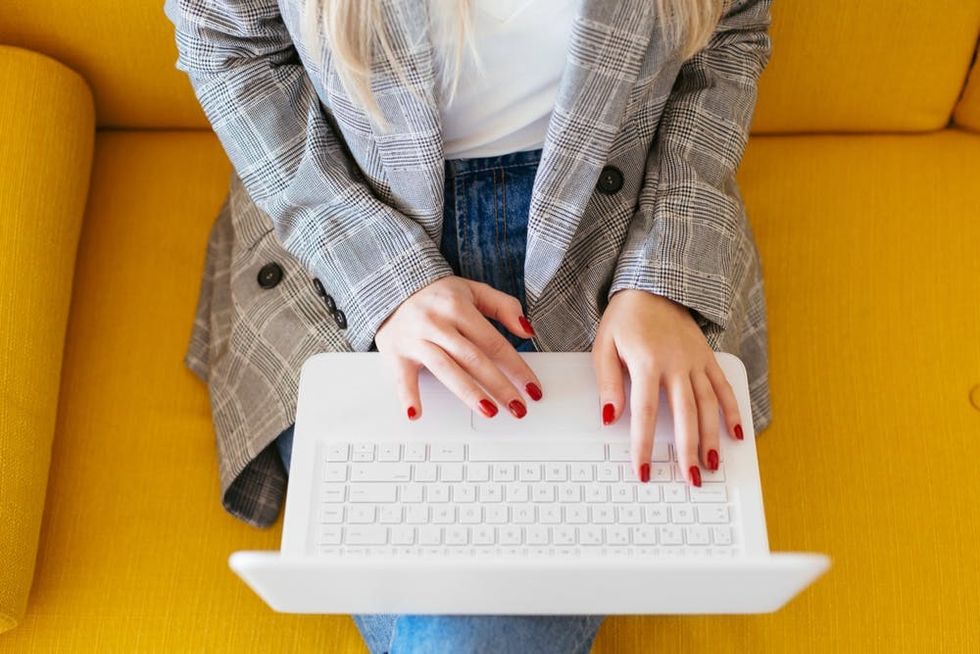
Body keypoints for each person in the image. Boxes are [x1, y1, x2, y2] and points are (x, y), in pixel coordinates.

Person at [165, 0, 772, 651]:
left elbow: (729, 29)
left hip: (618, 233)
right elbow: (226, 42)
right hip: (344, 221)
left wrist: (662, 276)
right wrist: (382, 275)